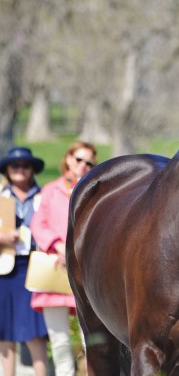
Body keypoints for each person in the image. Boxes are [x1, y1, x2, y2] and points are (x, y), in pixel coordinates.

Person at [30, 141, 97, 376]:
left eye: (89, 162)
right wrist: (58, 246)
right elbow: (38, 224)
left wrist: (74, 251)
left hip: (84, 273)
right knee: (59, 341)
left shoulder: (97, 191)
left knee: (92, 340)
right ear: (68, 159)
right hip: (54, 273)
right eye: (79, 159)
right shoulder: (50, 190)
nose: (83, 166)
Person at [0, 147, 49, 376]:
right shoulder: (1, 197)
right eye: (15, 165)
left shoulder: (44, 197)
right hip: (5, 269)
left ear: (32, 169)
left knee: (35, 331)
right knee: (4, 333)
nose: (20, 170)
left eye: (25, 165)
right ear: (7, 170)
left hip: (37, 268)